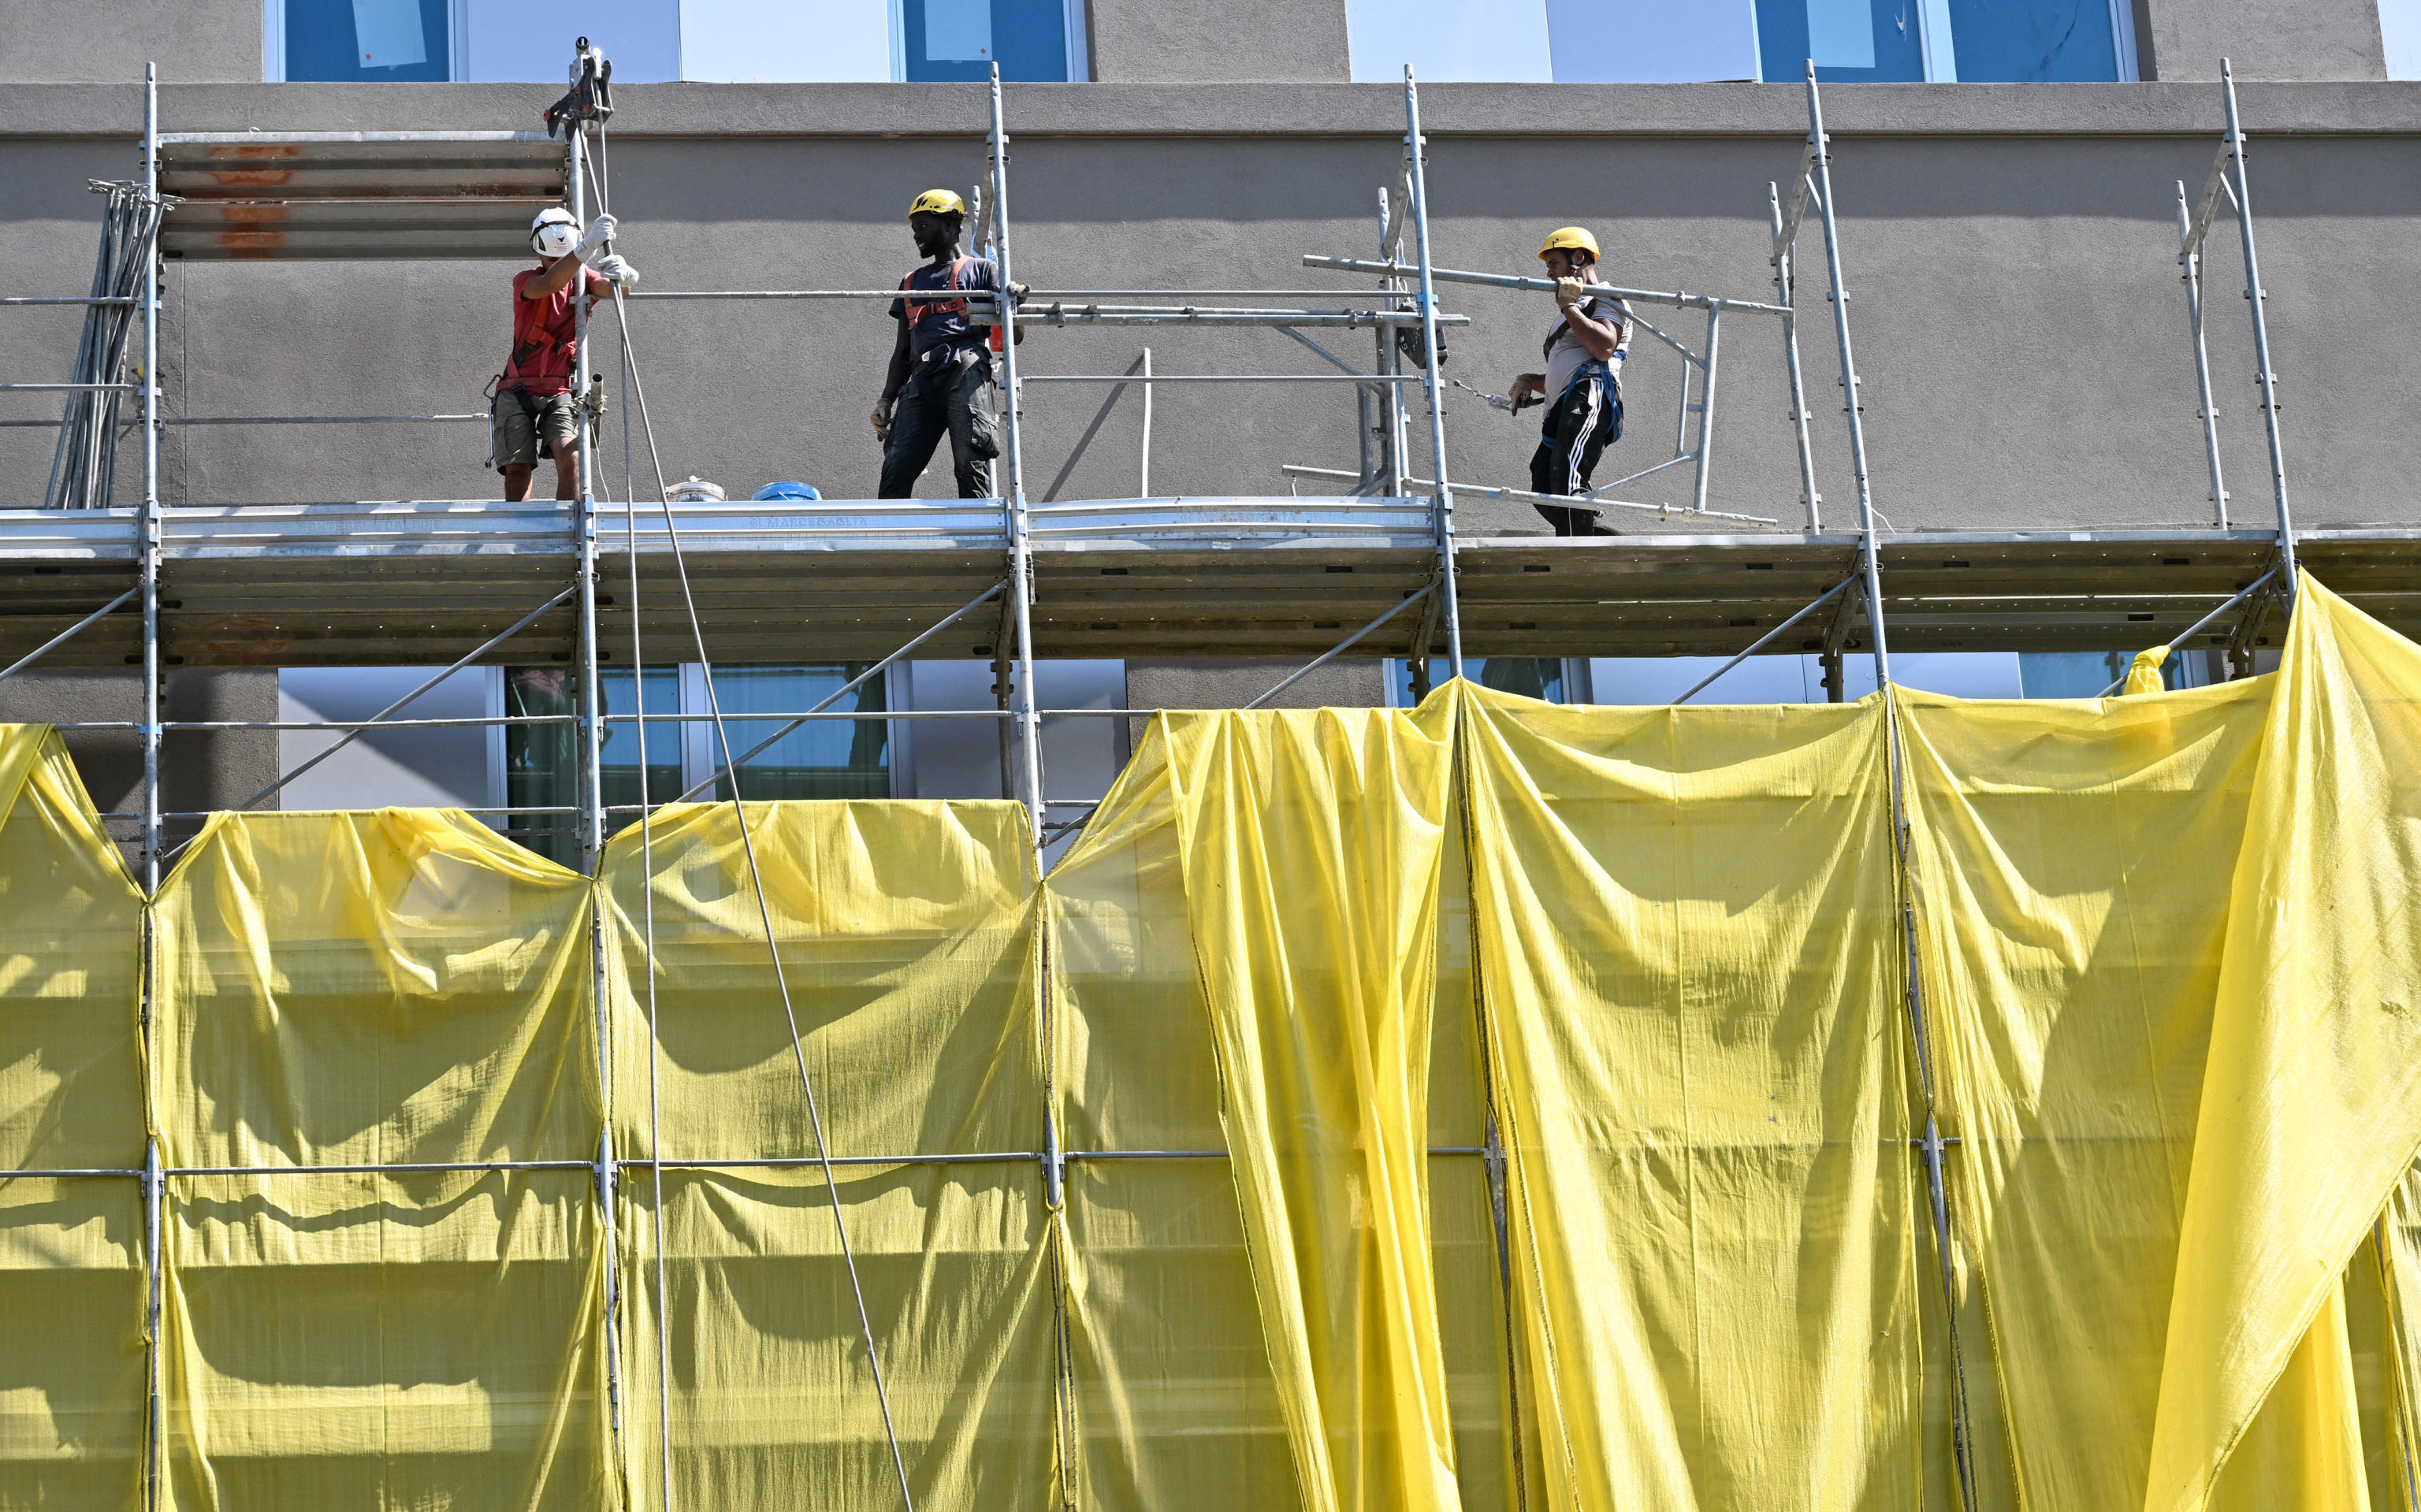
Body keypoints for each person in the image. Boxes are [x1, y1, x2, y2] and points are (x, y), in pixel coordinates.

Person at [872, 189, 1024, 499]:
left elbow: (1014, 337)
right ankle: (890, 541)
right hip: (922, 379)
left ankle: (979, 538)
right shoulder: (911, 282)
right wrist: (886, 399)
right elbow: (902, 351)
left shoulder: (982, 270)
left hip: (964, 370)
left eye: (923, 226)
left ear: (951, 226)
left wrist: (1012, 305)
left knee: (970, 461)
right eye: (914, 229)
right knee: (897, 464)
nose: (917, 235)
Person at [492, 206, 637, 503]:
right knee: (517, 468)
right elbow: (549, 284)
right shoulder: (525, 280)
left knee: (571, 458)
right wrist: (586, 248)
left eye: (564, 257)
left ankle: (567, 530)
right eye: (552, 259)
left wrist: (627, 277)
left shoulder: (583, 278)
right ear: (538, 255)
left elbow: (615, 291)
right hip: (517, 388)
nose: (559, 264)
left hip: (558, 389)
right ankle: (522, 532)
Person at [1508, 226, 1629, 536]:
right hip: (1570, 397)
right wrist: (1529, 380)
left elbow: (1603, 348)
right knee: (1543, 481)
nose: (1549, 273)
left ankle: (1580, 553)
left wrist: (1569, 306)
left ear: (1577, 257)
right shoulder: (1574, 310)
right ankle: (1590, 537)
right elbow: (1565, 374)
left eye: (1553, 264)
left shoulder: (1606, 296)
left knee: (1568, 478)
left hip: (1591, 393)